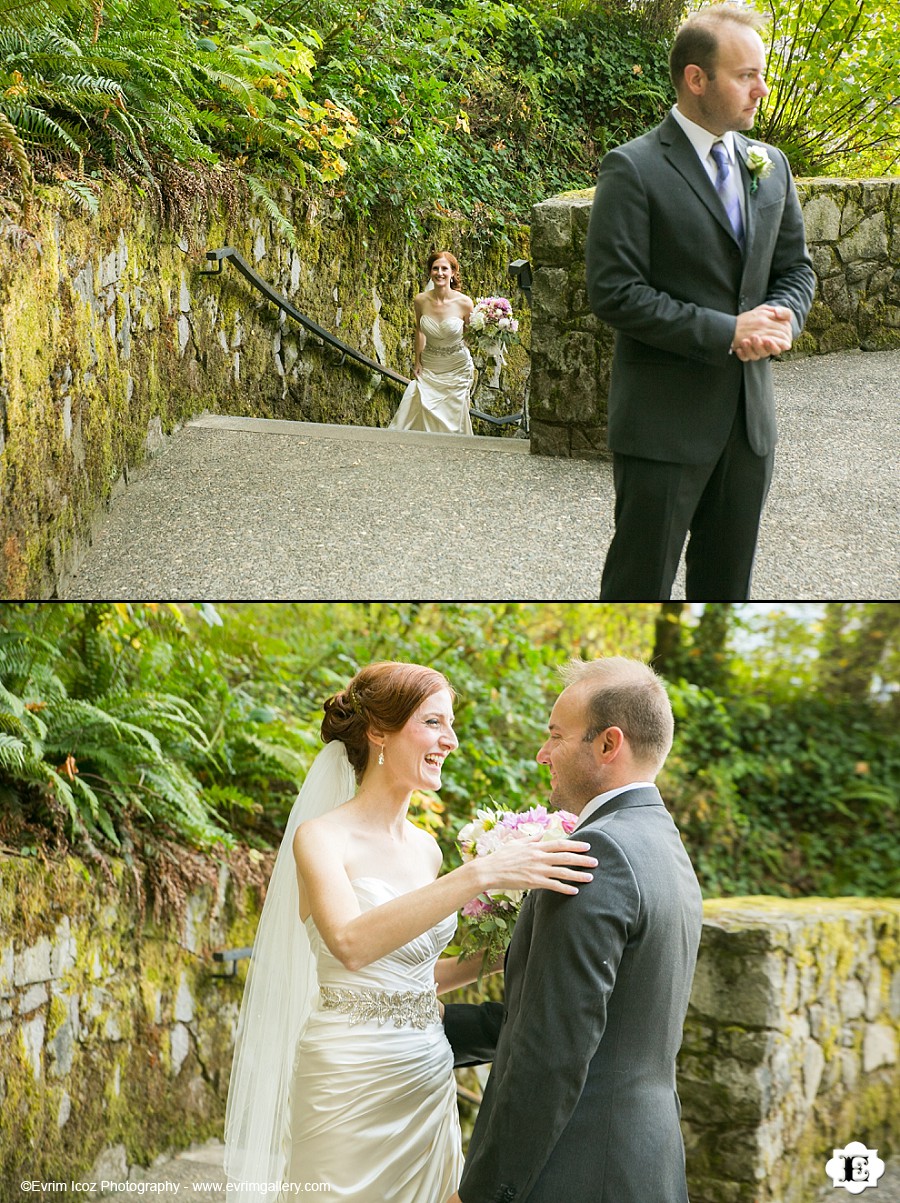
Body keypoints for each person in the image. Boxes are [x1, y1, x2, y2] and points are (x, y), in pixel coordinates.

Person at [223, 660, 597, 1203]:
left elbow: (412, 975)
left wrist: (500, 956)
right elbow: (351, 946)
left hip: (425, 1071)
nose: (451, 740)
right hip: (348, 1075)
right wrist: (482, 873)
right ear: (378, 732)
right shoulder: (321, 838)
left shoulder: (426, 849)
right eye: (434, 723)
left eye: (450, 725)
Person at [445, 656, 703, 1203]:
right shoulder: (664, 844)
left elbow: (552, 1049)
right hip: (645, 1161)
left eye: (556, 736)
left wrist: (487, 1191)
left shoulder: (597, 852)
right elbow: (606, 1022)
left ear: (609, 744)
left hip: (576, 1169)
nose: (542, 754)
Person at [585, 4, 816, 601]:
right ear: (696, 78)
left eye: (761, 74)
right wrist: (726, 331)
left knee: (726, 596)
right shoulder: (632, 168)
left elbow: (796, 268)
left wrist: (782, 317)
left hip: (749, 428)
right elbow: (614, 292)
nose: (761, 90)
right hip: (663, 429)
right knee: (639, 592)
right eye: (746, 76)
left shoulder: (771, 165)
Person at [389, 251, 476, 434]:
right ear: (430, 272)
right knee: (421, 409)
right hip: (429, 366)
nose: (440, 273)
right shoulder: (420, 300)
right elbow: (420, 330)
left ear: (453, 272)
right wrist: (418, 361)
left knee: (452, 418)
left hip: (457, 368)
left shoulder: (465, 303)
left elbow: (470, 336)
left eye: (445, 268)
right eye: (435, 268)